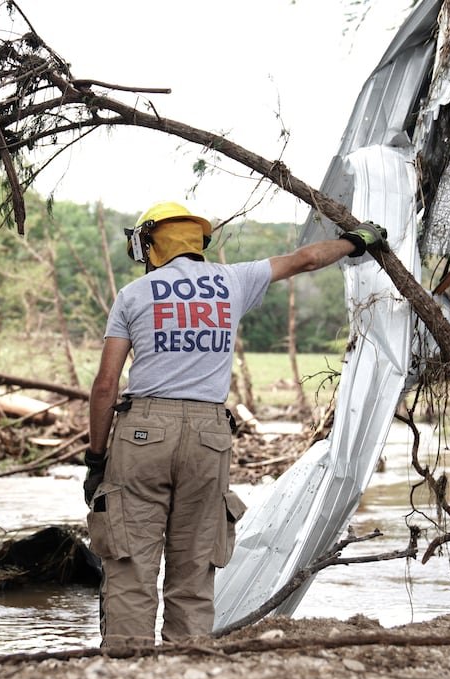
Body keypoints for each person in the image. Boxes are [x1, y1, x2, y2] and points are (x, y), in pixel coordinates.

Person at [83, 200, 387, 649]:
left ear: (150, 243)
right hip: (209, 436)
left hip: (143, 430)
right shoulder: (232, 280)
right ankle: (188, 661)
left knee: (130, 562)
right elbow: (306, 259)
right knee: (195, 563)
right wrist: (357, 240)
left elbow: (106, 385)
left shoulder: (133, 294)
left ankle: (127, 666)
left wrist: (96, 459)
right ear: (196, 241)